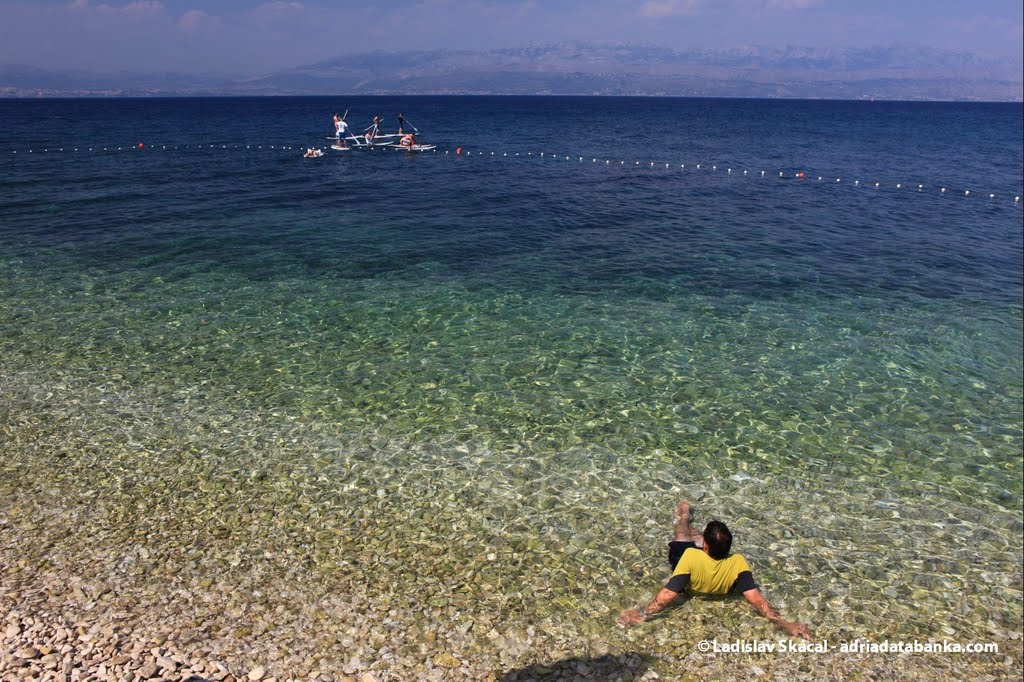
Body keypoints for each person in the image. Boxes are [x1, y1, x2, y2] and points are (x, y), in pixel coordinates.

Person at [617, 501, 813, 640]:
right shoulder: (738, 562)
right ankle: (696, 529)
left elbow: (668, 594)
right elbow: (757, 600)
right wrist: (785, 623)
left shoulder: (691, 556)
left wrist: (642, 614)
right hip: (712, 552)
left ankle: (685, 516)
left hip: (692, 562)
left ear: (705, 547)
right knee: (696, 536)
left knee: (681, 533)